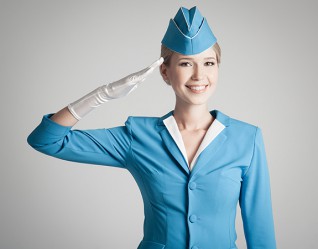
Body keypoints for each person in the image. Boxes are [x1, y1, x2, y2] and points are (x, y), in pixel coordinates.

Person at [27, 6, 276, 249]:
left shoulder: (246, 138)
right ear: (165, 73)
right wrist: (101, 95)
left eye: (209, 63)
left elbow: (260, 228)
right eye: (186, 64)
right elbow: (46, 140)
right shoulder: (138, 137)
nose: (200, 75)